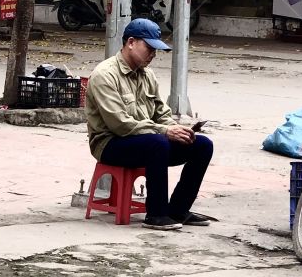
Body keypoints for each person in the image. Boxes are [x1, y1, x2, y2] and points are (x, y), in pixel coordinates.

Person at [84, 18, 214, 231]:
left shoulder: (148, 75)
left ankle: (178, 209)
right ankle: (156, 214)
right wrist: (165, 131)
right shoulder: (104, 75)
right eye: (150, 48)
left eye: (156, 50)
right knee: (158, 143)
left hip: (147, 140)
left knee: (202, 145)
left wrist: (178, 130)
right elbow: (120, 125)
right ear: (131, 42)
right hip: (110, 144)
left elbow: (161, 113)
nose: (153, 54)